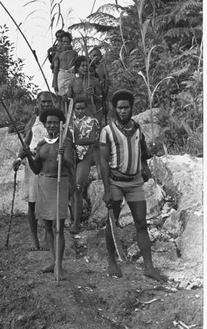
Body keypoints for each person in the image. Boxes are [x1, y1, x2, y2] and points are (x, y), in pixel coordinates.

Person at [100, 89, 166, 282]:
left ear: (131, 108)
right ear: (114, 109)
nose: (122, 111)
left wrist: (147, 161)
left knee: (141, 223)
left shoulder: (137, 129)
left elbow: (143, 153)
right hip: (115, 182)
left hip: (135, 182)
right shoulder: (107, 132)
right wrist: (106, 190)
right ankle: (112, 262)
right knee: (112, 223)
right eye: (119, 108)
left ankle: (149, 267)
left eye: (126, 108)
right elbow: (103, 162)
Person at [24, 107, 75, 280]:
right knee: (47, 226)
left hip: (60, 183)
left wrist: (64, 158)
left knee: (58, 227)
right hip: (44, 183)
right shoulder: (41, 145)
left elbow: (71, 164)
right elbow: (37, 169)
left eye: (55, 122)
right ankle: (53, 262)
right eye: (49, 123)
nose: (52, 125)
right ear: (45, 125)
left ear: (60, 124)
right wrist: (28, 157)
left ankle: (59, 267)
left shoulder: (65, 142)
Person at [12, 91, 56, 251]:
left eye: (49, 102)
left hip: (49, 164)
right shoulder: (34, 121)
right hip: (33, 163)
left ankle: (49, 236)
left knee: (49, 202)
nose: (46, 105)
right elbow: (26, 142)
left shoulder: (57, 121)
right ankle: (34, 239)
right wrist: (18, 159)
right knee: (32, 202)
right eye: (43, 102)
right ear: (38, 103)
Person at [68, 97, 100, 234]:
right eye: (77, 108)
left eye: (82, 108)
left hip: (85, 157)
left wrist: (75, 141)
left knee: (78, 188)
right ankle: (73, 219)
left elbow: (92, 139)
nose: (79, 111)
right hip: (71, 158)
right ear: (73, 109)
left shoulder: (92, 121)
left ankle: (77, 223)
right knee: (70, 190)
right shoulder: (69, 122)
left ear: (86, 109)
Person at [67, 55, 103, 121]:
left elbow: (101, 100)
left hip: (91, 114)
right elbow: (69, 98)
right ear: (77, 68)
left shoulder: (94, 81)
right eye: (83, 66)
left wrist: (93, 95)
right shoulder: (72, 82)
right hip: (77, 116)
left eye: (87, 66)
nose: (85, 68)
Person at [52, 32, 78, 111]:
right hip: (61, 76)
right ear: (61, 42)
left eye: (67, 41)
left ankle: (70, 115)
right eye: (63, 42)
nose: (65, 43)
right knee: (61, 97)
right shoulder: (58, 53)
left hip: (71, 75)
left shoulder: (74, 53)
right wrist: (55, 82)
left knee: (71, 96)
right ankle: (62, 114)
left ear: (70, 42)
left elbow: (77, 66)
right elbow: (55, 68)